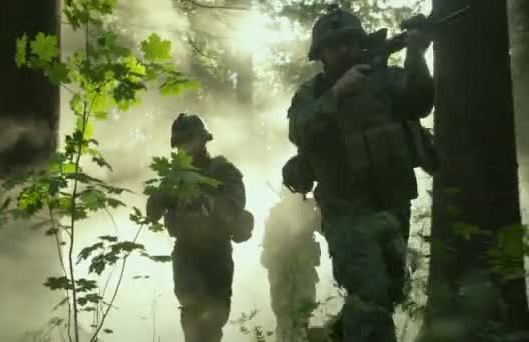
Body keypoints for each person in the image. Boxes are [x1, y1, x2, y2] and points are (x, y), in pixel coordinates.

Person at [283, 4, 434, 342]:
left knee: (389, 294)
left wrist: (416, 53)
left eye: (351, 41)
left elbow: (420, 101)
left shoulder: (386, 78)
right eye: (334, 45)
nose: (344, 50)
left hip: (393, 203)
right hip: (345, 209)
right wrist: (337, 94)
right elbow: (299, 130)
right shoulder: (313, 92)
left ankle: (335, 335)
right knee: (369, 297)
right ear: (320, 54)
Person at [145, 113, 254, 342]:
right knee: (193, 312)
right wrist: (164, 193)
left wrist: (207, 200)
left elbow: (235, 207)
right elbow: (152, 213)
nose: (184, 148)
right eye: (180, 143)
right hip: (187, 254)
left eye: (189, 141)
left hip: (217, 253)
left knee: (214, 319)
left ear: (203, 140)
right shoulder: (175, 177)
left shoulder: (225, 172)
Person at [260, 188, 322, 342]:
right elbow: (268, 252)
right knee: (286, 320)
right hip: (284, 273)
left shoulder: (306, 213)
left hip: (301, 272)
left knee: (301, 316)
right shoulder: (276, 216)